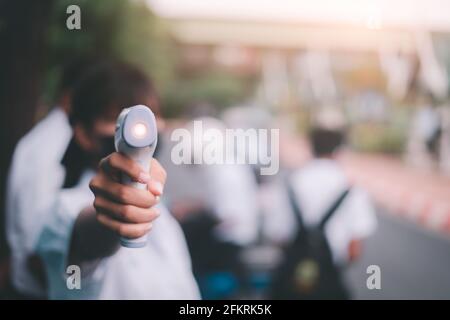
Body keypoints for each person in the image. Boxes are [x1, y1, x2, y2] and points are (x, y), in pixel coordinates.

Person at [35, 60, 199, 299]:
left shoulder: (165, 220)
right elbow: (87, 235)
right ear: (83, 133)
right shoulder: (63, 209)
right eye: (119, 118)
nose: (138, 129)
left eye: (150, 116)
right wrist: (111, 217)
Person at [6, 56, 97, 298]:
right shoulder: (47, 147)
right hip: (37, 288)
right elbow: (33, 236)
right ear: (69, 97)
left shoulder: (58, 139)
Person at [263, 118, 377, 298]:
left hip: (290, 284)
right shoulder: (352, 190)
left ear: (311, 148)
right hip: (330, 283)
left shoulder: (288, 184)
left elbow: (276, 235)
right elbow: (354, 250)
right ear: (339, 151)